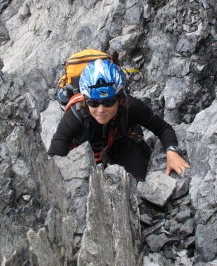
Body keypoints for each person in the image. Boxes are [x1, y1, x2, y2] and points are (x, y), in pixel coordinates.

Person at [48, 59, 190, 180]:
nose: (101, 109)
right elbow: (54, 158)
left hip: (121, 143)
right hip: (85, 153)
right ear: (85, 101)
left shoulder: (131, 107)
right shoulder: (75, 116)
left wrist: (171, 151)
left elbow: (163, 128)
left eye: (109, 102)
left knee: (136, 184)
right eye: (93, 103)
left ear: (120, 99)